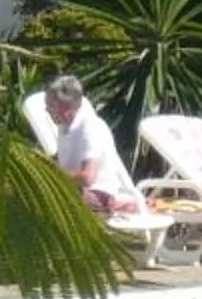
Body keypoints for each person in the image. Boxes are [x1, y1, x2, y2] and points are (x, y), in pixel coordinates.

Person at [43, 74, 140, 215]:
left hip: (100, 195)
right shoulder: (64, 127)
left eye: (50, 105)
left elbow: (87, 177)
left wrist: (53, 179)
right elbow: (66, 157)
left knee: (51, 199)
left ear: (64, 107)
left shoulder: (90, 128)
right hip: (77, 191)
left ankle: (122, 205)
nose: (46, 110)